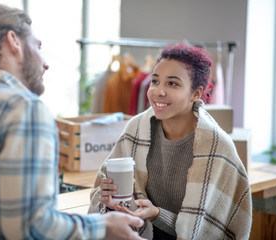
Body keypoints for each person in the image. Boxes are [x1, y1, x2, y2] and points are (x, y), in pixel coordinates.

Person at [0, 4, 146, 240]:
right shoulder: (25, 109)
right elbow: (33, 226)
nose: (45, 63)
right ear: (13, 41)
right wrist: (103, 226)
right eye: (38, 46)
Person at [88, 42, 252, 239]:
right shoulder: (136, 129)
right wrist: (109, 199)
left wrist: (157, 214)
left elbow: (210, 230)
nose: (158, 91)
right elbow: (102, 197)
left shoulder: (217, 147)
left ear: (196, 93)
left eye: (172, 83)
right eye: (155, 81)